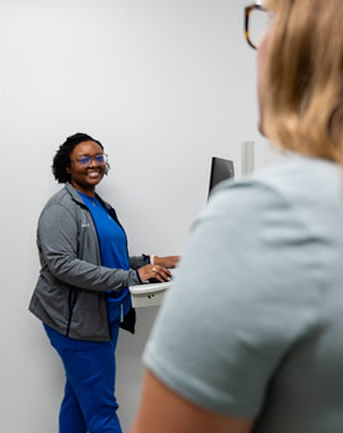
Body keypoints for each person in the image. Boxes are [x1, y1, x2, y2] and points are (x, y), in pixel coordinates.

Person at [129, 1, 343, 432]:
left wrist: (151, 266)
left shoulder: (267, 219)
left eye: (269, 20)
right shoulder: (65, 208)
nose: (260, 41)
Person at [29, 132, 180, 433]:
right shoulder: (61, 208)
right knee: (102, 410)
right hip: (76, 324)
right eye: (84, 159)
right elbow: (63, 265)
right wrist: (132, 277)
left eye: (99, 157)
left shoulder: (97, 204)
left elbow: (106, 256)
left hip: (103, 317)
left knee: (78, 400)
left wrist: (151, 260)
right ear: (68, 167)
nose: (94, 164)